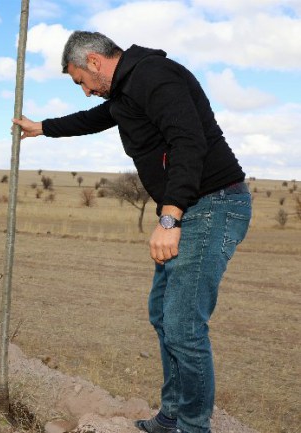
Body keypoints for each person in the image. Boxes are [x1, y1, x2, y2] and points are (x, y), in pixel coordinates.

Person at [13, 32, 251, 433]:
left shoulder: (155, 76)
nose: (85, 91)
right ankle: (171, 416)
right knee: (164, 316)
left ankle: (193, 426)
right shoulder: (125, 91)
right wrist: (42, 128)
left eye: (81, 81)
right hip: (193, 206)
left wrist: (170, 219)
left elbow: (187, 142)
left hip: (212, 204)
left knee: (184, 325)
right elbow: (93, 119)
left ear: (94, 61)